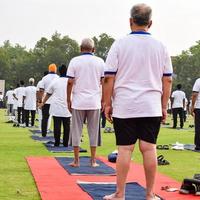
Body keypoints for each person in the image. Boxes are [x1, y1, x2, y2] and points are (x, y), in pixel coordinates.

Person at [103, 4, 173, 200]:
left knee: (125, 149)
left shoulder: (119, 44)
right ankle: (150, 194)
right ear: (150, 23)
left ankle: (120, 194)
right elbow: (167, 79)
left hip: (125, 105)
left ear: (130, 21)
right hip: (151, 104)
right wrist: (163, 105)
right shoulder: (161, 46)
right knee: (149, 148)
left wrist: (107, 103)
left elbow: (109, 77)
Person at [67, 38, 105, 167]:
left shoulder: (74, 61)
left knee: (76, 130)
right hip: (94, 101)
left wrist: (68, 99)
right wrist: (104, 99)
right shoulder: (100, 62)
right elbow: (104, 82)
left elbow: (70, 82)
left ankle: (76, 161)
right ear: (93, 49)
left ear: (80, 48)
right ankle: (93, 161)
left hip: (78, 101)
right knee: (94, 131)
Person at [40, 65, 71, 146]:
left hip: (56, 106)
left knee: (57, 125)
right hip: (67, 106)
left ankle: (57, 142)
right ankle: (65, 143)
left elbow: (48, 93)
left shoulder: (55, 81)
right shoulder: (70, 81)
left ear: (59, 71)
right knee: (67, 126)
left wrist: (43, 102)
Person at [38, 64, 59, 137]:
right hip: (55, 102)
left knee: (45, 118)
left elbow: (41, 90)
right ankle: (56, 135)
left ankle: (44, 134)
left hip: (46, 101)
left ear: (49, 69)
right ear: (55, 70)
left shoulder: (44, 78)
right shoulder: (58, 78)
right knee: (56, 120)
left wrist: (40, 101)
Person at [191, 78, 200, 150]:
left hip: (199, 106)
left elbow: (195, 94)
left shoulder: (198, 80)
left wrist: (192, 106)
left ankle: (198, 145)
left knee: (198, 126)